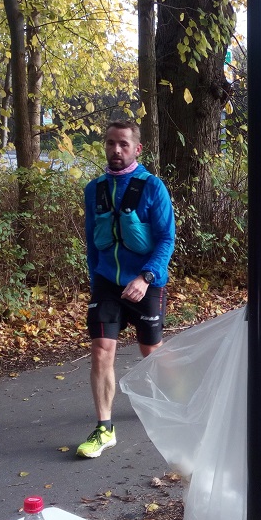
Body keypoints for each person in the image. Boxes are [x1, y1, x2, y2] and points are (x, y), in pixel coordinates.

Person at [79, 120, 176, 458]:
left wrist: (146, 277)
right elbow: (93, 240)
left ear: (137, 149)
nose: (115, 150)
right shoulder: (94, 190)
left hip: (146, 281)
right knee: (102, 348)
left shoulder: (152, 187)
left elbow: (166, 239)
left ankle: (169, 397)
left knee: (151, 351)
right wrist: (96, 282)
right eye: (110, 143)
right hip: (107, 282)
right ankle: (104, 428)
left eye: (122, 144)